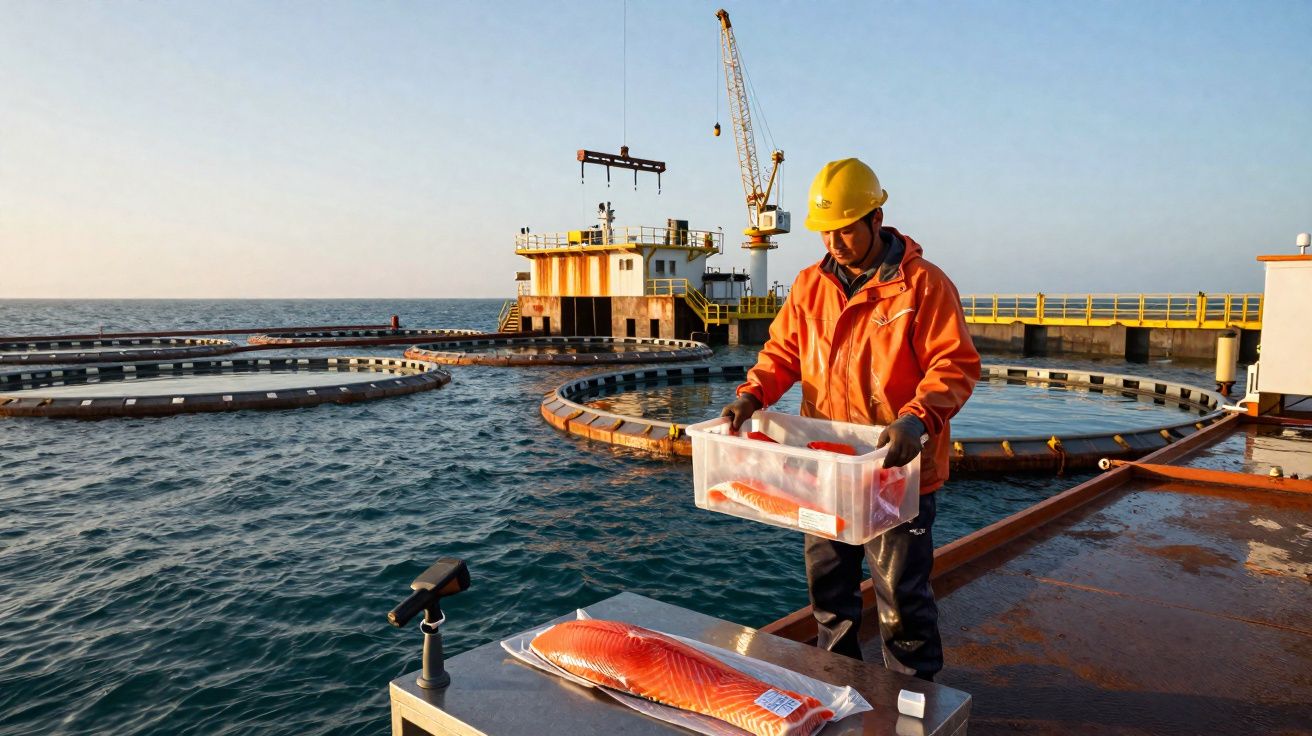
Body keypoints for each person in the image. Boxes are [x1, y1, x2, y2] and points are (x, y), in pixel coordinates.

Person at [721, 158, 979, 681]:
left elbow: (954, 364)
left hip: (895, 470)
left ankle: (914, 700)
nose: (834, 243)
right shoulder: (809, 286)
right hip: (826, 472)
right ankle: (839, 689)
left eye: (844, 230)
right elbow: (782, 354)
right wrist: (751, 395)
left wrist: (917, 420)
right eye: (825, 233)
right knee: (830, 594)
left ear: (876, 219)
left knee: (902, 597)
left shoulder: (923, 287)